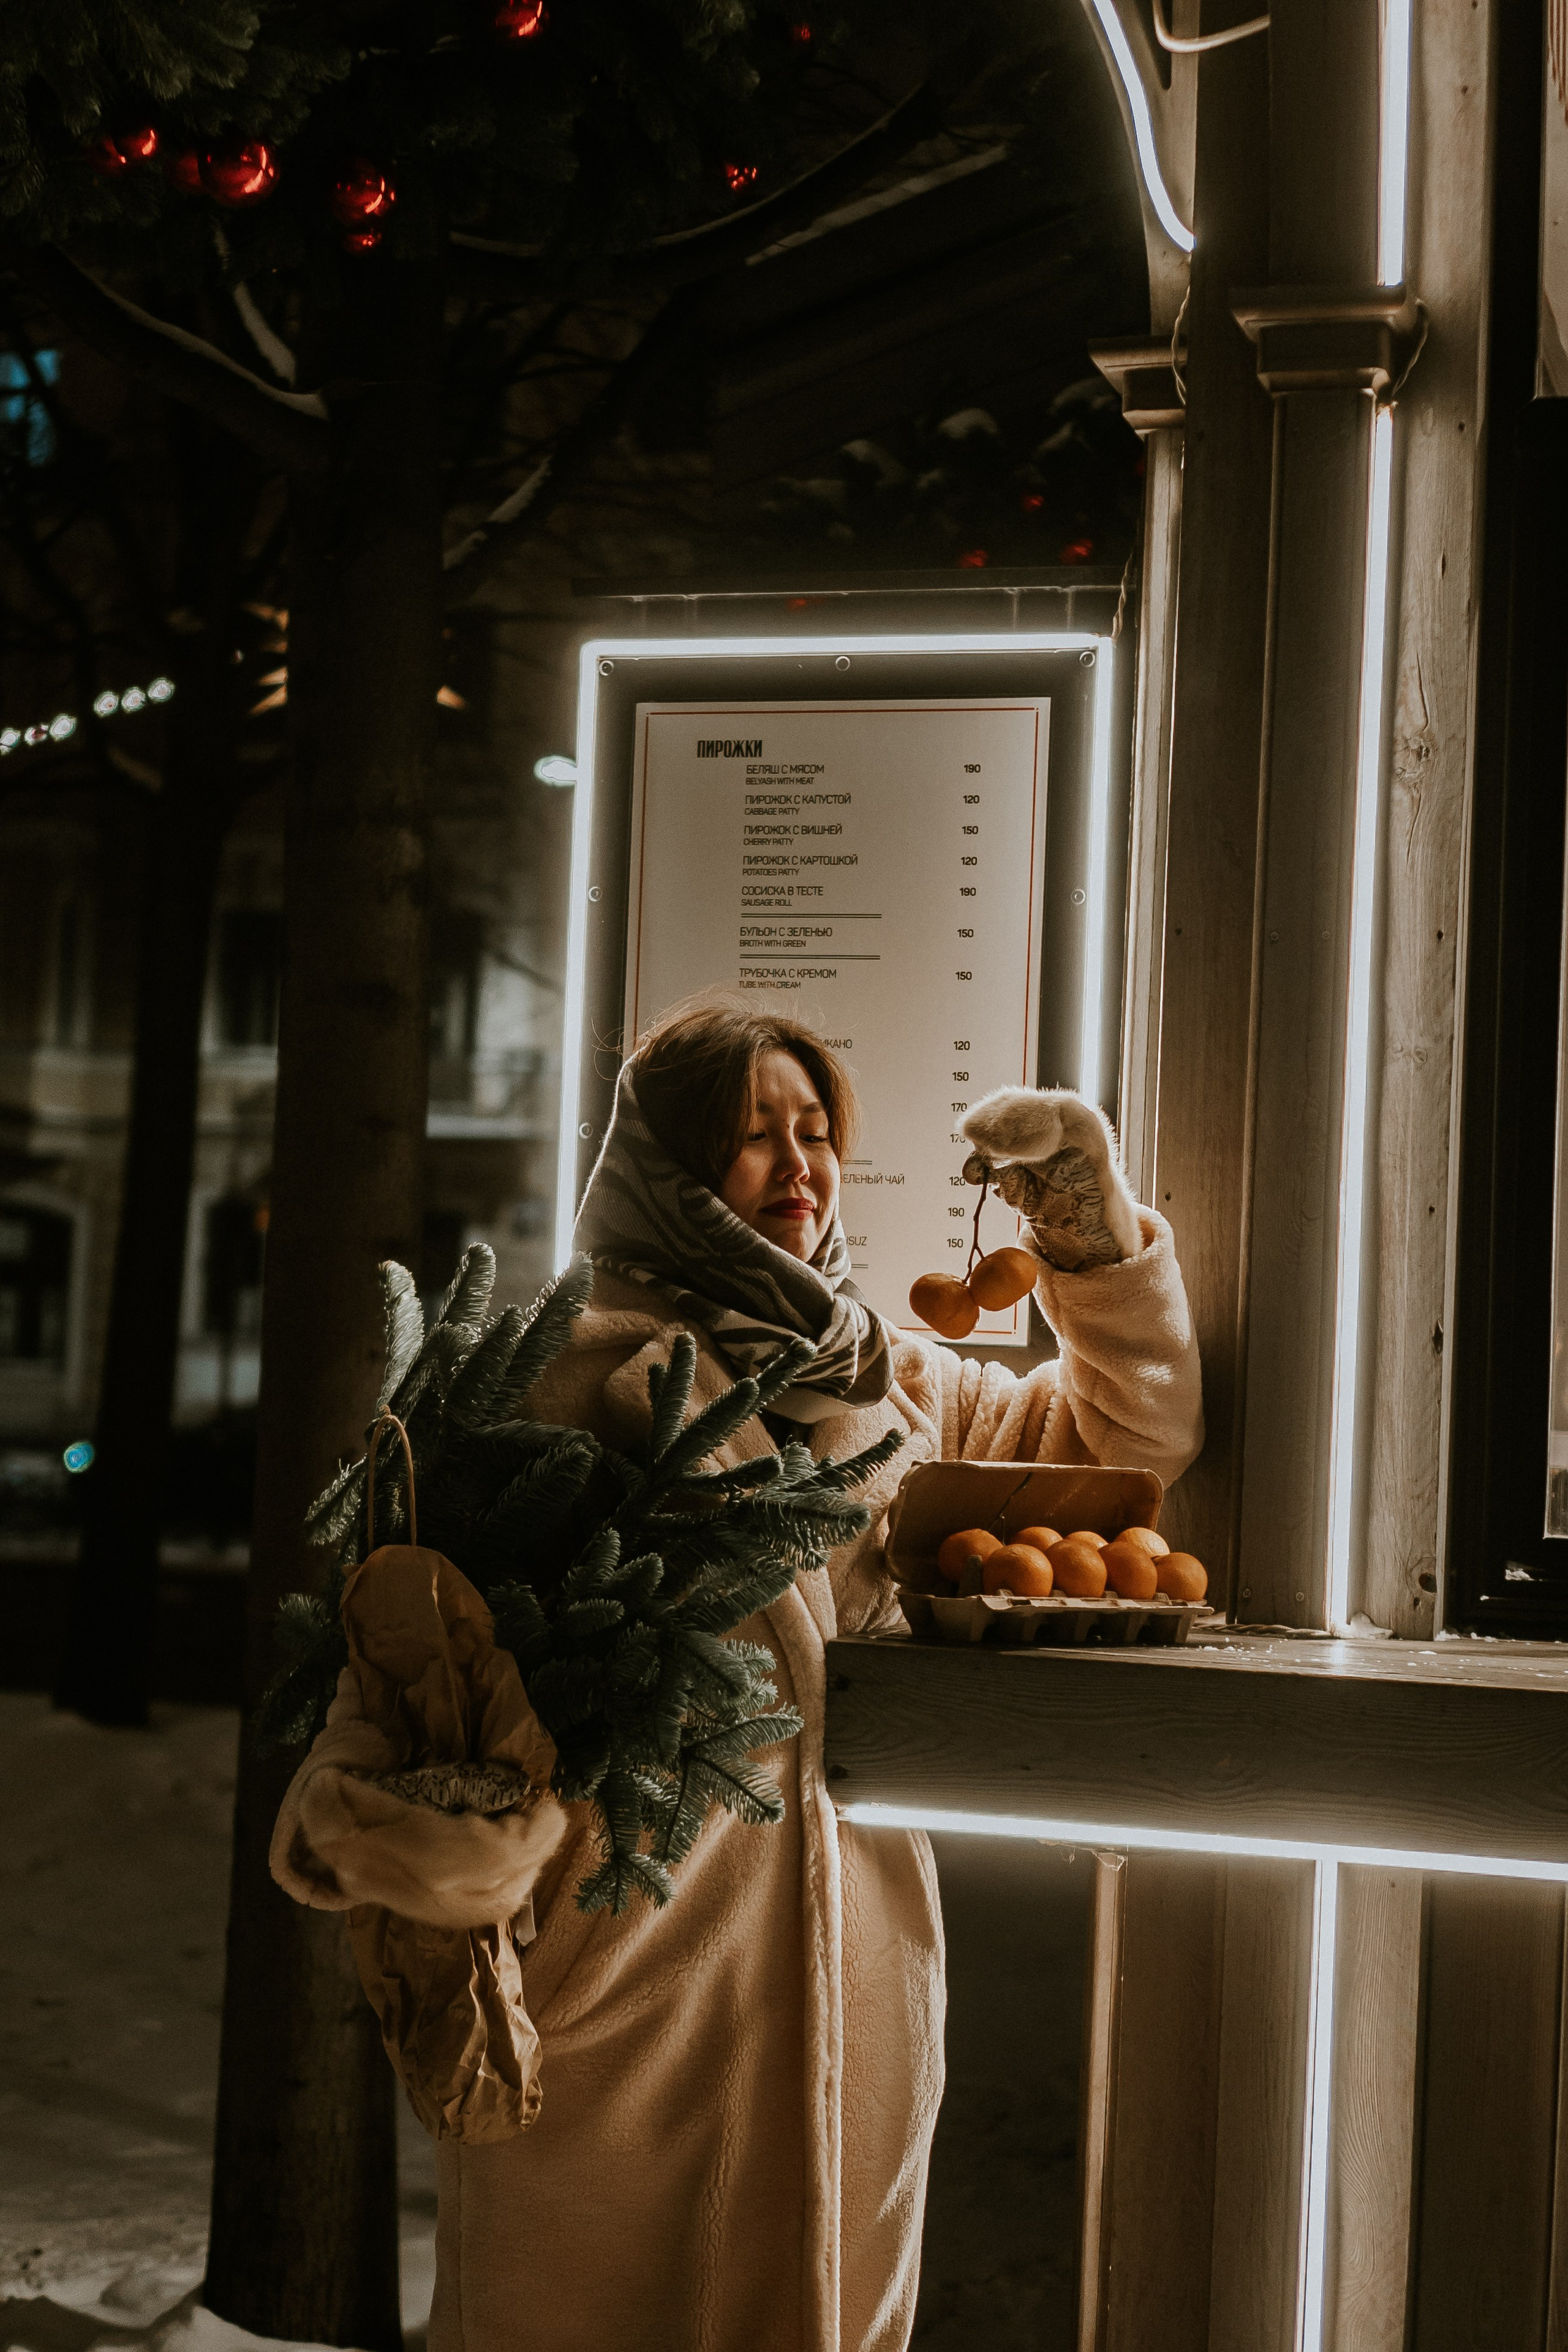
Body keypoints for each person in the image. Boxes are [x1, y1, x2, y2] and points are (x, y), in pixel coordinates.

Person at [424, 1000, 1203, 2352]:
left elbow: (1125, 1435)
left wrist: (1079, 1220)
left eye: (814, 1131)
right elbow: (454, 1676)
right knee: (584, 2304)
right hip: (631, 1952)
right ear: (665, 1177)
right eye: (748, 1138)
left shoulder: (885, 1384)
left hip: (853, 1948)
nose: (798, 1167)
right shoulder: (568, 1381)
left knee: (824, 2299)